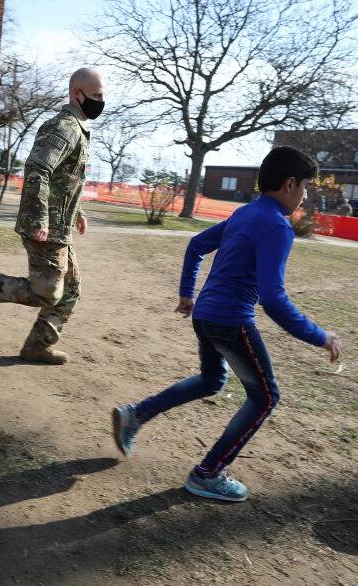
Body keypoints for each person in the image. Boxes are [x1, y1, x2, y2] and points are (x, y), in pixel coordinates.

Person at [111, 146, 341, 502]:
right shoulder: (277, 226)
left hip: (205, 316)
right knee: (265, 396)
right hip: (231, 321)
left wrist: (188, 293)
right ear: (290, 183)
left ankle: (136, 416)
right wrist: (320, 336)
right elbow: (273, 298)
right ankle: (208, 474)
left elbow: (196, 245)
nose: (306, 196)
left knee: (211, 380)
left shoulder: (245, 213)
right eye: (307, 187)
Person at [0, 67, 105, 365]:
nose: (102, 101)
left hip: (59, 225)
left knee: (71, 290)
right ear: (77, 93)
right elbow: (39, 170)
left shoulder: (78, 127)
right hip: (46, 227)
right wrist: (39, 219)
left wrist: (78, 211)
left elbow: (64, 180)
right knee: (48, 293)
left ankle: (38, 345)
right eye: (97, 95)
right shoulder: (64, 127)